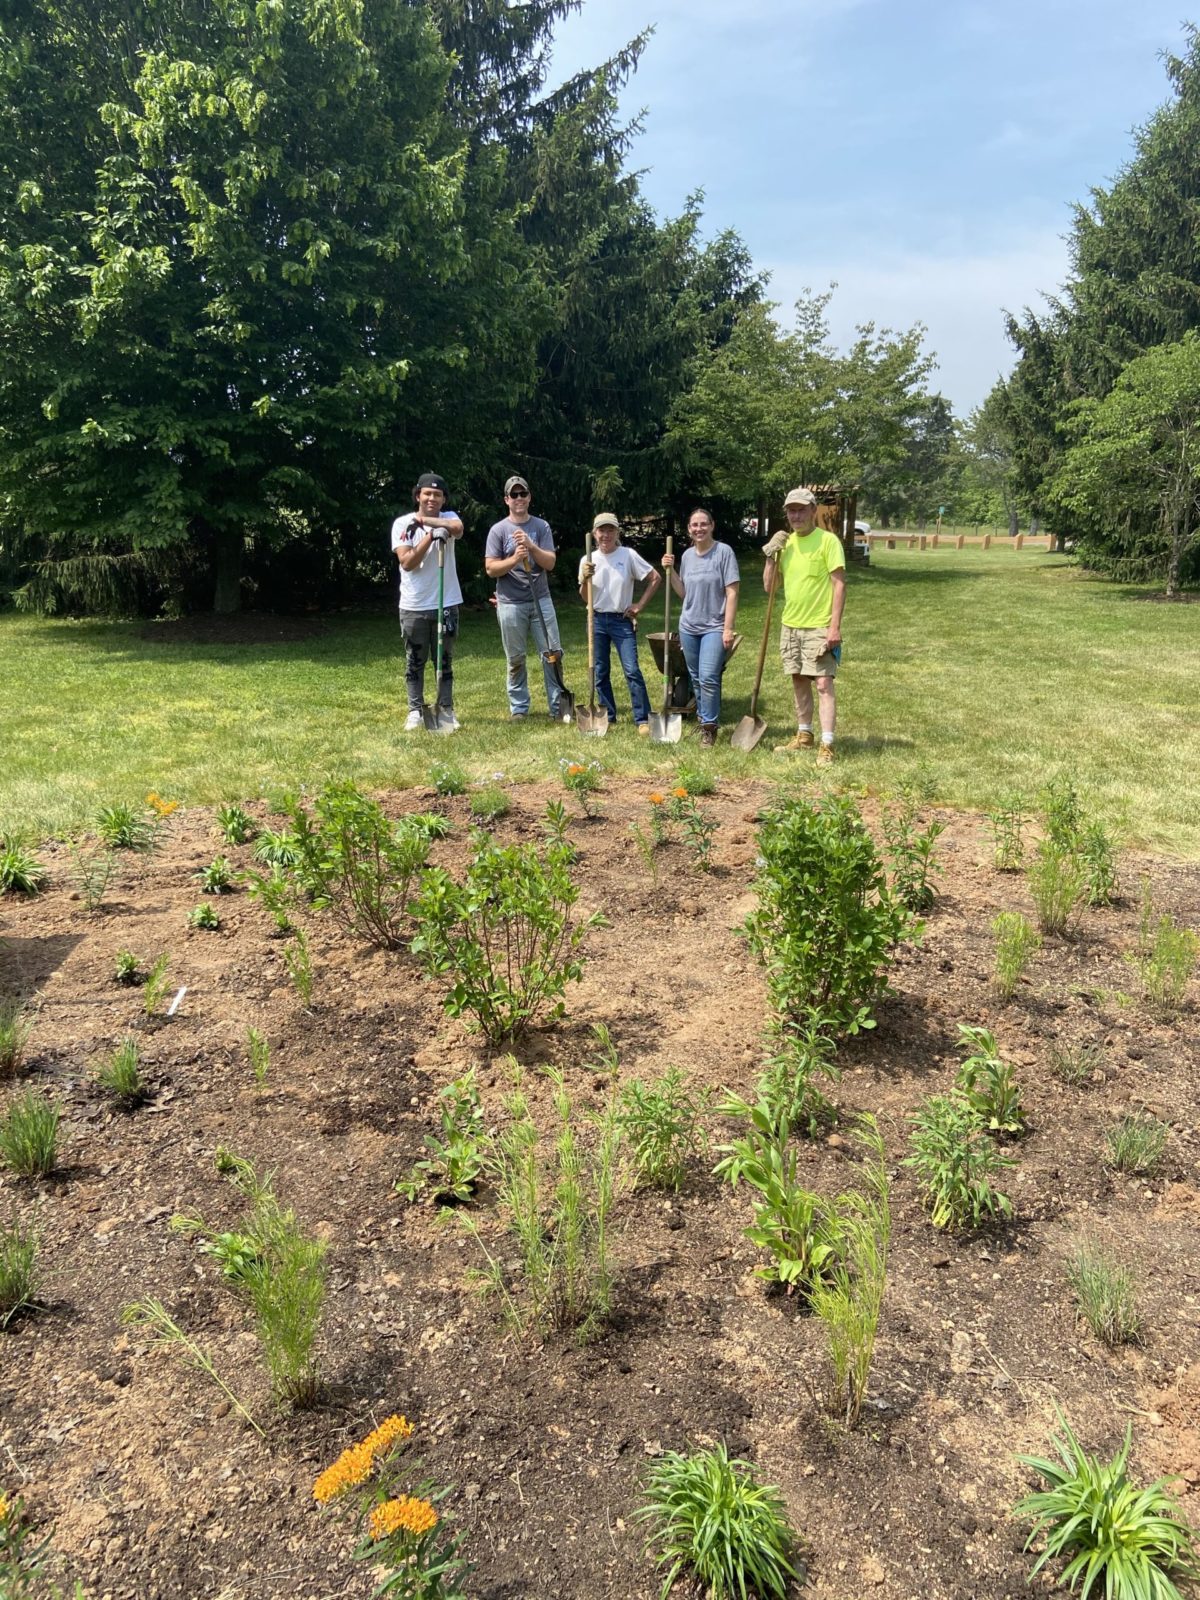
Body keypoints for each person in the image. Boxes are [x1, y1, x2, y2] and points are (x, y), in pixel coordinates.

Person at [762, 486, 846, 765]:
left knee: (823, 683)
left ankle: (827, 744)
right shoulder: (786, 545)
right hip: (791, 625)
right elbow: (770, 587)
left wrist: (834, 627)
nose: (796, 516)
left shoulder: (828, 541)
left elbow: (839, 585)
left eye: (800, 510)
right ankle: (804, 735)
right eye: (791, 511)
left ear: (813, 510)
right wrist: (770, 557)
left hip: (819, 625)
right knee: (798, 680)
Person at [484, 475, 567, 721]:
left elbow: (550, 563)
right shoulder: (498, 530)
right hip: (510, 603)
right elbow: (491, 569)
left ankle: (558, 706)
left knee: (552, 653)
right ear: (506, 500)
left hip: (541, 599)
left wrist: (531, 546)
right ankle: (519, 708)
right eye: (514, 494)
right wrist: (514, 559)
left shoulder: (541, 527)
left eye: (523, 494)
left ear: (529, 497)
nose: (519, 498)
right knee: (516, 657)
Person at [390, 472, 465, 732]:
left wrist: (430, 523)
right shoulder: (402, 524)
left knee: (444, 660)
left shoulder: (450, 517)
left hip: (446, 602)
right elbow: (407, 562)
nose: (432, 498)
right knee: (415, 660)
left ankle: (445, 709)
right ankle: (415, 710)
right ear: (418, 496)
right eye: (427, 493)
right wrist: (429, 535)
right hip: (414, 605)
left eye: (437, 495)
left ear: (444, 499)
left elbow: (458, 529)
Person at [661, 507, 740, 747]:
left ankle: (709, 727)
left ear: (712, 525)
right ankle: (703, 719)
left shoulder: (724, 552)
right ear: (689, 529)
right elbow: (684, 593)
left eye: (703, 524)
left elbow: (732, 592)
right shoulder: (687, 556)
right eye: (694, 525)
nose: (699, 528)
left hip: (714, 626)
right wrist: (670, 571)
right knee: (695, 678)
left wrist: (728, 628)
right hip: (689, 626)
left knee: (708, 677)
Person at [578, 512, 661, 733]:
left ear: (617, 532)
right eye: (601, 530)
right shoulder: (588, 559)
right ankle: (608, 716)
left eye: (610, 530)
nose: (605, 535)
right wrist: (585, 579)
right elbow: (586, 598)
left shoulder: (628, 555)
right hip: (596, 619)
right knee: (600, 670)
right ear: (594, 533)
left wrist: (639, 606)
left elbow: (655, 578)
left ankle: (642, 719)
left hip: (621, 620)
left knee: (632, 669)